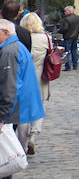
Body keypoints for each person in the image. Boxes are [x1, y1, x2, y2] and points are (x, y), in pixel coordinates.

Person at [0, 18, 44, 179]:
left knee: (4, 152)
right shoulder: (15, 47)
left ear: (5, 33)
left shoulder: (9, 51)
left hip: (10, 110)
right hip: (16, 108)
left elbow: (10, 87)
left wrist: (2, 115)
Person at [18, 13, 51, 155]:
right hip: (41, 79)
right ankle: (33, 136)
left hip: (25, 79)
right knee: (39, 110)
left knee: (23, 113)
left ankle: (22, 144)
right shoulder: (46, 38)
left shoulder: (20, 39)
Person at [59, 6, 79, 71]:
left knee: (66, 52)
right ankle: (75, 65)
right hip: (75, 37)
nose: (65, 12)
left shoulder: (66, 19)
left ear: (69, 11)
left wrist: (59, 30)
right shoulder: (78, 18)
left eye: (65, 11)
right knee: (74, 52)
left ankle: (68, 66)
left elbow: (65, 28)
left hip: (68, 37)